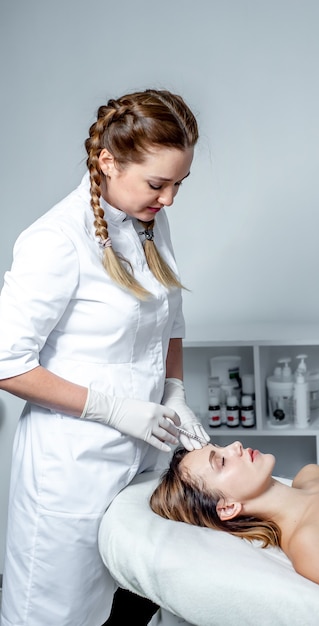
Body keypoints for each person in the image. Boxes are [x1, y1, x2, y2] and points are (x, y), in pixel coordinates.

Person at [0, 88, 209, 626]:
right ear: (109, 162)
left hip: (143, 454)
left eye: (178, 185)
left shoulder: (150, 222)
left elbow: (170, 324)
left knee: (134, 606)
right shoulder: (56, 240)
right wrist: (115, 410)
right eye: (158, 184)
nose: (169, 200)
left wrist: (174, 393)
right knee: (59, 614)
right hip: (73, 465)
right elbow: (7, 363)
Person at [150, 441, 319, 621]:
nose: (235, 447)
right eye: (221, 462)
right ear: (228, 507)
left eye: (221, 446)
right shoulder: (311, 546)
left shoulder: (310, 475)